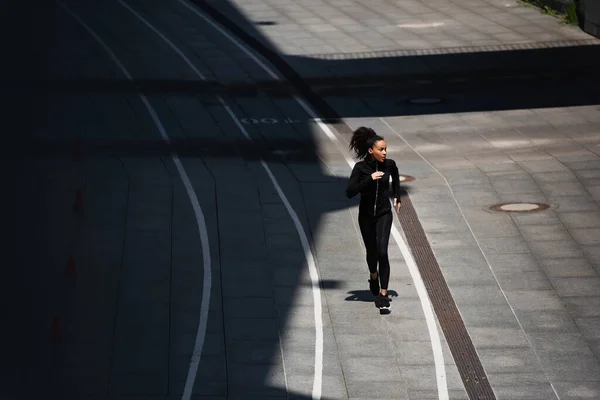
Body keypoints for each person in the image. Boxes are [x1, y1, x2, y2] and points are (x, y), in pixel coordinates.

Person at [346, 127, 401, 310]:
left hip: (384, 213)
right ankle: (373, 276)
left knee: (382, 252)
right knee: (371, 252)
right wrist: (369, 179)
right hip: (366, 216)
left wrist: (397, 195)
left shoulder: (389, 164)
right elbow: (350, 192)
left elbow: (395, 175)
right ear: (371, 151)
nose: (385, 153)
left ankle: (383, 294)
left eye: (385, 149)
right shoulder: (361, 168)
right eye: (381, 149)